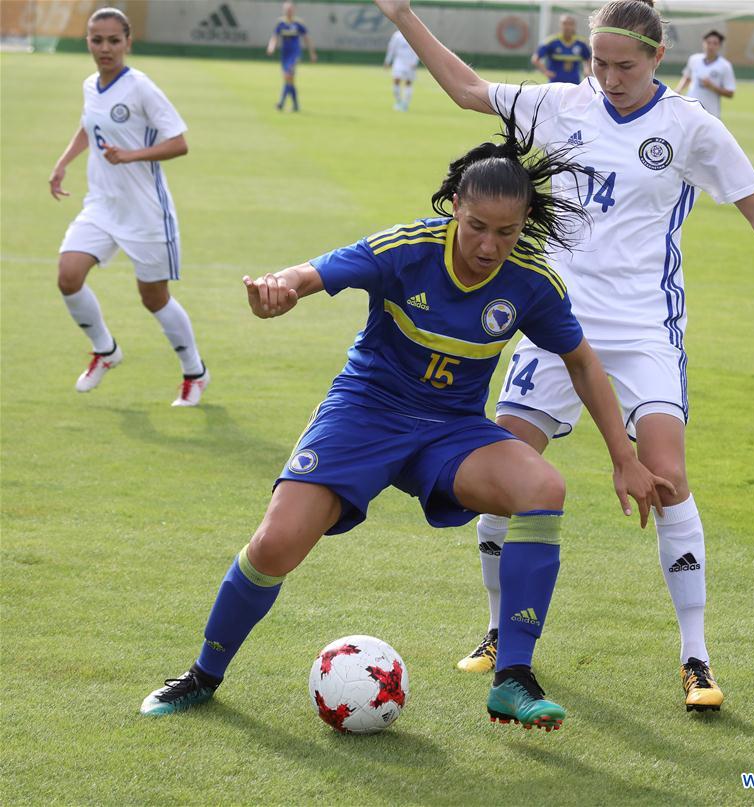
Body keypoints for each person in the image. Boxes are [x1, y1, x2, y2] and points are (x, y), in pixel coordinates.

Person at [374, 0, 754, 712]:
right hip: (554, 323)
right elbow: (469, 90)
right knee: (503, 464)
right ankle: (498, 632)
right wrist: (403, 14)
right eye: (598, 62)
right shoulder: (562, 104)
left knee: (665, 474)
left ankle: (695, 656)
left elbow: (752, 201)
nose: (607, 77)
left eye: (623, 65)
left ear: (656, 57)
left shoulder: (689, 126)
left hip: (640, 328)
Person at [139, 102, 674, 731]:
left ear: (524, 222)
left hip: (450, 429)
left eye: (506, 232)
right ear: (455, 208)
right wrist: (279, 290)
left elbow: (583, 363)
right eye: (477, 226)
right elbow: (317, 271)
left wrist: (624, 457)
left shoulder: (531, 280)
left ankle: (513, 677)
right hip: (367, 410)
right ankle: (203, 674)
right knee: (277, 544)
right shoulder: (408, 249)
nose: (489, 245)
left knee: (542, 486)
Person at [49, 7, 209, 406]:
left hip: (146, 212)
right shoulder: (91, 84)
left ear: (127, 42)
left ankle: (195, 372)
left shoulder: (141, 87)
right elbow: (90, 126)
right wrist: (63, 163)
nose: (105, 48)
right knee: (69, 275)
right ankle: (105, 350)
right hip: (102, 206)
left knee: (153, 298)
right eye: (96, 40)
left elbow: (180, 143)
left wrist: (133, 155)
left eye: (113, 40)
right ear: (87, 41)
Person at [266, 1, 317, 112]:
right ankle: (296, 106)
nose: (288, 11)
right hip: (285, 54)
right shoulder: (280, 23)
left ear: (293, 10)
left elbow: (306, 38)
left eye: (290, 9)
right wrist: (271, 47)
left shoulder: (298, 23)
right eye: (286, 9)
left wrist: (312, 53)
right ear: (284, 10)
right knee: (290, 80)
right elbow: (274, 37)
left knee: (288, 76)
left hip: (295, 54)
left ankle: (281, 103)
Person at [674, 29, 735, 119]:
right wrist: (678, 89)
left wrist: (712, 86)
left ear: (720, 46)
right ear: (703, 43)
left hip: (710, 113)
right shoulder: (694, 59)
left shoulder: (725, 66)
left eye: (715, 43)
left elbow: (730, 93)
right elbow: (687, 77)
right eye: (708, 42)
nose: (711, 46)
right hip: (690, 109)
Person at [531, 14, 591, 84]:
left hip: (574, 83)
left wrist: (587, 70)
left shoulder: (581, 42)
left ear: (574, 26)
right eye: (564, 24)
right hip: (555, 84)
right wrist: (546, 72)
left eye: (570, 24)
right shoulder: (551, 41)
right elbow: (535, 59)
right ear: (560, 25)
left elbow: (588, 59)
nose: (567, 27)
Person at [385, 29, 419, 111]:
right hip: (399, 62)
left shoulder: (413, 34)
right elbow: (391, 49)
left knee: (408, 83)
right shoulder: (397, 36)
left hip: (410, 63)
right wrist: (388, 61)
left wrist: (415, 61)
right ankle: (398, 101)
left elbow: (417, 48)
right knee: (396, 80)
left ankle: (405, 104)